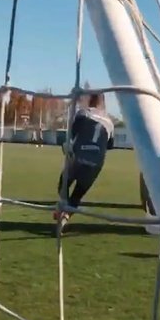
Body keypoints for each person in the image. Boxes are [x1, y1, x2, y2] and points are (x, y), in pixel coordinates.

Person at [54, 93, 115, 231]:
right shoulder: (110, 122)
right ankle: (65, 217)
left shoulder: (83, 113)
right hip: (96, 163)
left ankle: (62, 208)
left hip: (78, 157)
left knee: (63, 185)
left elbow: (73, 133)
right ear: (103, 103)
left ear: (90, 100)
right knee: (77, 195)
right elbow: (110, 145)